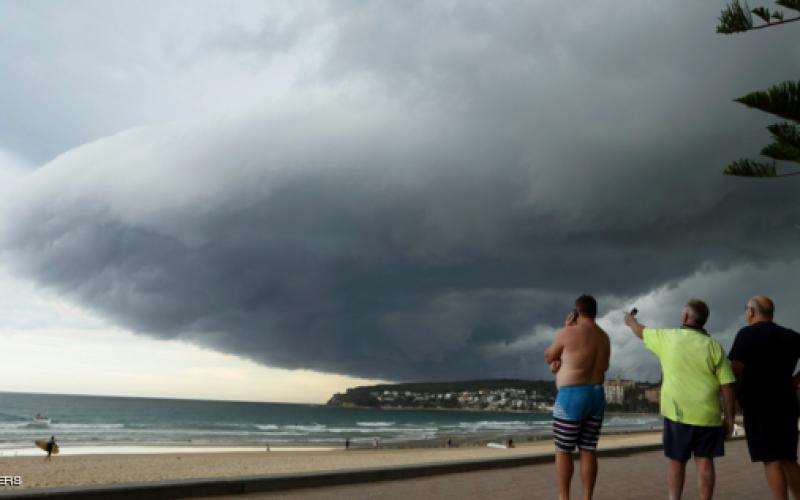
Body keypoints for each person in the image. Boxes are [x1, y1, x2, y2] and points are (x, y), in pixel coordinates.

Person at [624, 299, 736, 500]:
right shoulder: (714, 346)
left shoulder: (668, 337)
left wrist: (630, 319)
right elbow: (727, 385)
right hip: (707, 415)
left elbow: (640, 331)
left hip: (677, 415)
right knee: (705, 462)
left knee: (676, 462)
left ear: (685, 317)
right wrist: (729, 418)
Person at [728, 296, 800, 500]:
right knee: (788, 458)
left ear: (751, 311)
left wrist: (730, 404)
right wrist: (795, 380)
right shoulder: (791, 336)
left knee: (771, 460)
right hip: (787, 403)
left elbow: (735, 371)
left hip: (758, 405)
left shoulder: (746, 335)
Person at [544, 294, 610, 500]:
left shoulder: (569, 332)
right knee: (588, 449)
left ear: (576, 312)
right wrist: (560, 364)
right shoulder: (604, 337)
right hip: (597, 395)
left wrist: (566, 328)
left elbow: (548, 355)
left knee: (563, 450)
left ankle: (564, 497)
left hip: (572, 397)